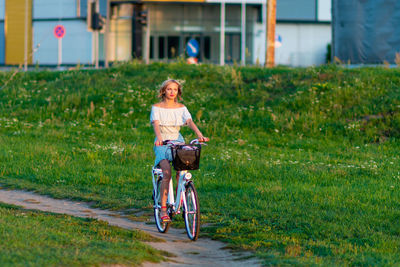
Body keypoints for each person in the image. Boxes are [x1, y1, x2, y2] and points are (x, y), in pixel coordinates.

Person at [150, 79, 209, 223]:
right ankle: (164, 209)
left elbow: (189, 122)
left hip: (177, 140)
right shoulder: (156, 107)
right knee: (166, 173)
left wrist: (199, 135)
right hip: (162, 142)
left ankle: (179, 198)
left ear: (178, 92)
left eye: (175, 90)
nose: (172, 92)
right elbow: (156, 125)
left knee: (182, 171)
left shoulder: (181, 108)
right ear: (164, 90)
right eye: (169, 89)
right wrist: (159, 139)